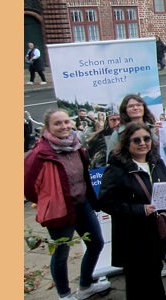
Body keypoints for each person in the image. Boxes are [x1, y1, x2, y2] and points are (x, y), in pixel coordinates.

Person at [24, 109, 110, 300]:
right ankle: (65, 295)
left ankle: (86, 285)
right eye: (57, 123)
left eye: (66, 122)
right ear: (47, 127)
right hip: (60, 210)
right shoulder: (40, 153)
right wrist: (47, 201)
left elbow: (84, 176)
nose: (63, 126)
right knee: (61, 254)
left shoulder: (76, 146)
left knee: (96, 243)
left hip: (82, 205)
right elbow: (28, 186)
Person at [98, 122, 166, 299]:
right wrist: (139, 209)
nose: (143, 143)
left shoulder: (156, 161)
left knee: (154, 275)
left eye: (146, 138)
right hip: (132, 237)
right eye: (136, 140)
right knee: (137, 283)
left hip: (156, 233)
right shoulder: (116, 169)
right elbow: (106, 202)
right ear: (126, 143)